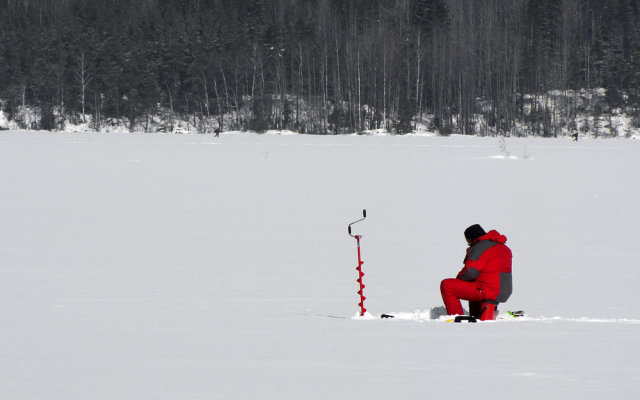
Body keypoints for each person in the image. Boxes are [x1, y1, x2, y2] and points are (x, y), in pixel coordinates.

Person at [440, 224, 512, 320]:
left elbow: (470, 272)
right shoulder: (503, 247)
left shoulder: (481, 247)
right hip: (504, 291)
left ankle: (456, 317)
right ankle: (476, 316)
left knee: (447, 285)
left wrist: (459, 281)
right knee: (475, 285)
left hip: (488, 290)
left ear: (471, 239)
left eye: (468, 243)